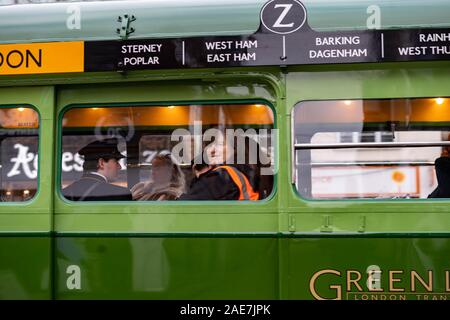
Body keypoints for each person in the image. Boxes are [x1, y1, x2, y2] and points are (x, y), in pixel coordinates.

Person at [178, 133, 259, 201]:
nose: (212, 149)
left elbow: (185, 204)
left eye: (219, 144)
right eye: (210, 145)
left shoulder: (222, 176)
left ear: (235, 149)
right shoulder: (239, 172)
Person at [62, 138, 132, 201]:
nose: (120, 167)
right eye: (116, 161)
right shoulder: (120, 194)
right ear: (101, 163)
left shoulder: (64, 193)